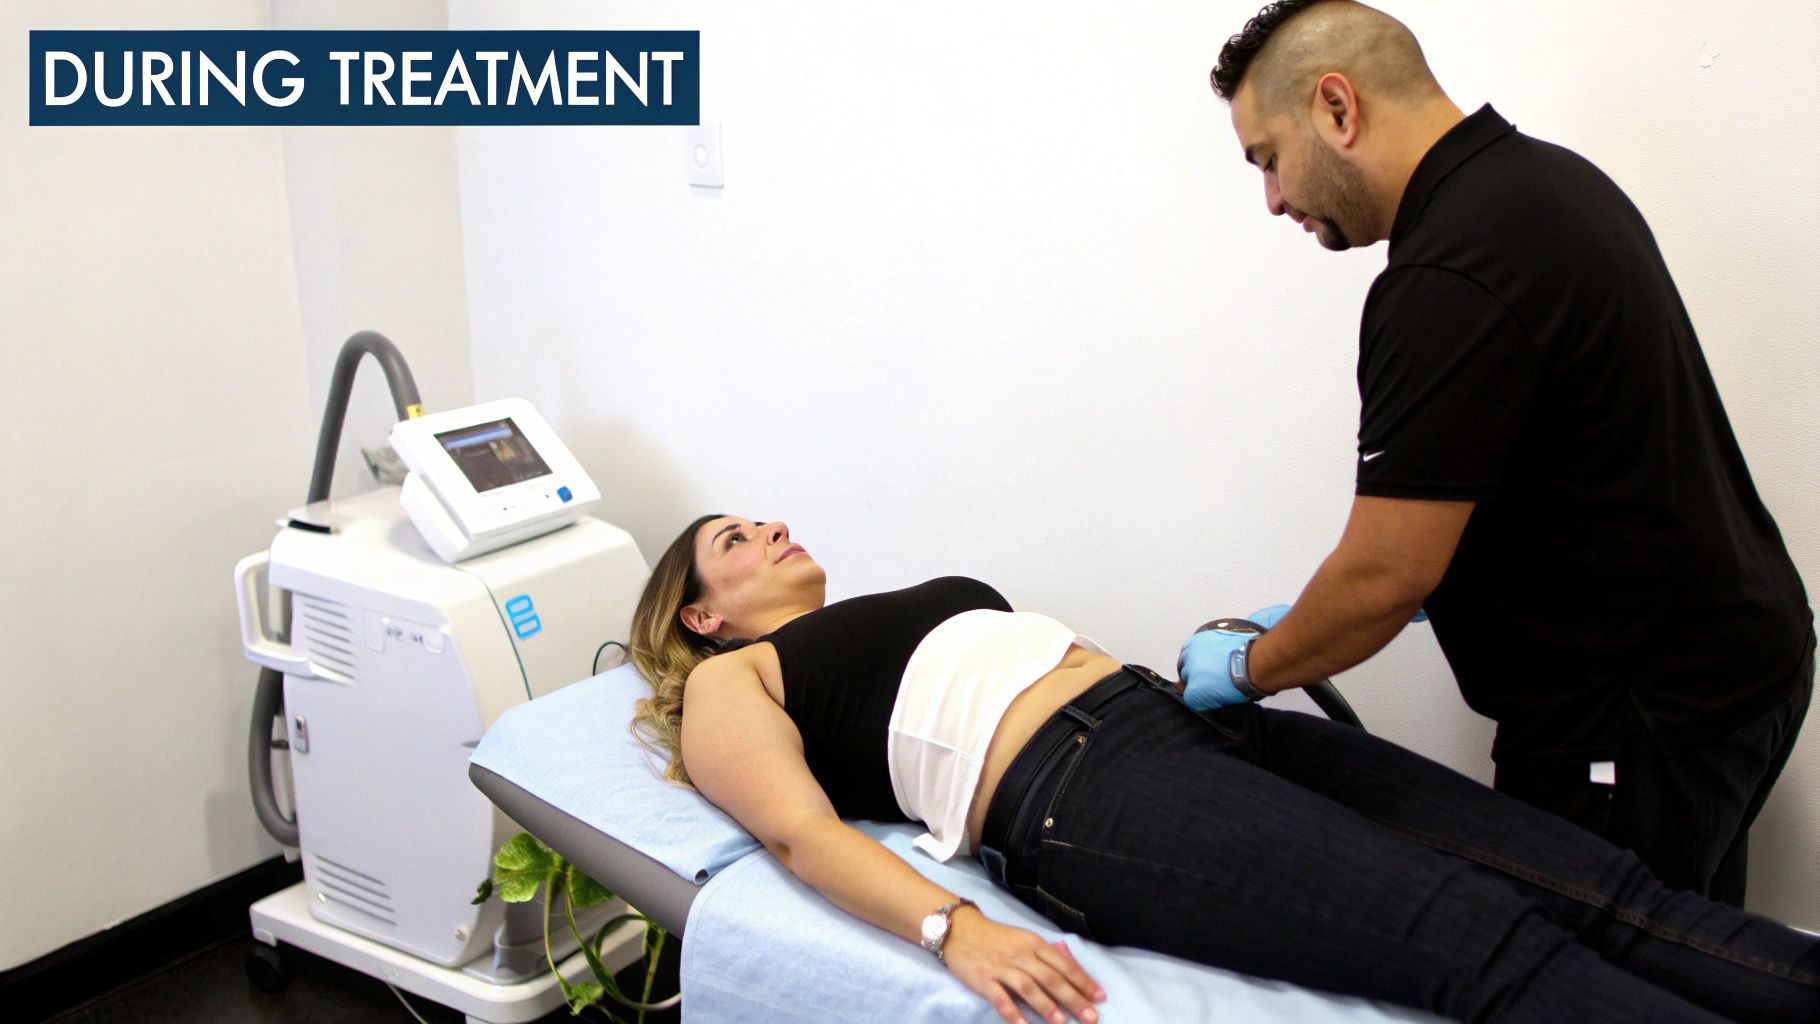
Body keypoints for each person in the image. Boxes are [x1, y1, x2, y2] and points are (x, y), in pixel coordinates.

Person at [628, 513, 1819, 1024]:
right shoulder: (729, 688)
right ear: (697, 617)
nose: (770, 527)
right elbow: (796, 834)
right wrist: (953, 931)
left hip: (1173, 722)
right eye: (734, 539)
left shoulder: (878, 604)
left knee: (1602, 888)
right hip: (1080, 793)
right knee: (1485, 944)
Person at [1180, 0, 1814, 906]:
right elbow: (1571, 458)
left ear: (1336, 107)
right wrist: (1455, 593)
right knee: (1701, 965)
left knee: (1587, 986)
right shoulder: (1547, 184)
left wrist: (1253, 666)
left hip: (1642, 722)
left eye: (1268, 158)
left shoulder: (1447, 276)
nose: (1274, 199)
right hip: (1742, 668)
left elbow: (1382, 575)